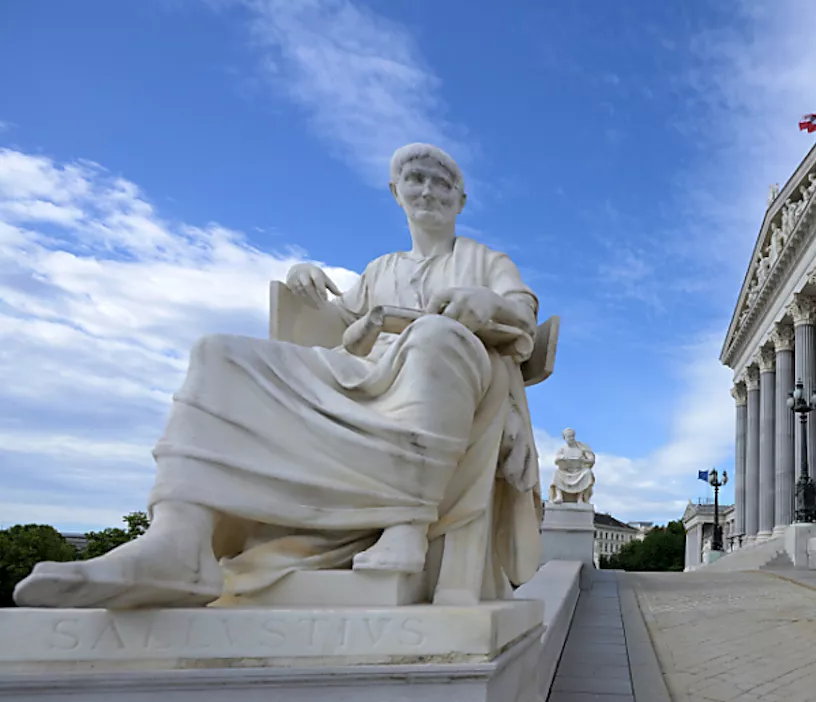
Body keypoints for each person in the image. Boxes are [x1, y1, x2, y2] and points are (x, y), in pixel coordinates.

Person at [15, 144, 542, 609]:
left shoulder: (484, 259)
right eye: (416, 179)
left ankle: (407, 522)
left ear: (461, 200)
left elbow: (524, 315)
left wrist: (486, 300)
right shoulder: (380, 270)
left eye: (442, 182)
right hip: (369, 375)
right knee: (217, 352)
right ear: (395, 191)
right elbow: (338, 331)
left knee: (432, 338)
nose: (428, 190)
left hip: (452, 375)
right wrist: (304, 281)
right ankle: (179, 539)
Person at [550, 428, 596, 504]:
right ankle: (559, 496)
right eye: (569, 437)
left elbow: (591, 459)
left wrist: (583, 460)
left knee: (587, 473)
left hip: (579, 471)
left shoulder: (581, 447)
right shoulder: (562, 449)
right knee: (556, 472)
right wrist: (562, 459)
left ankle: (580, 497)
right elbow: (556, 460)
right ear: (565, 438)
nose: (571, 438)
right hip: (566, 471)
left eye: (572, 436)